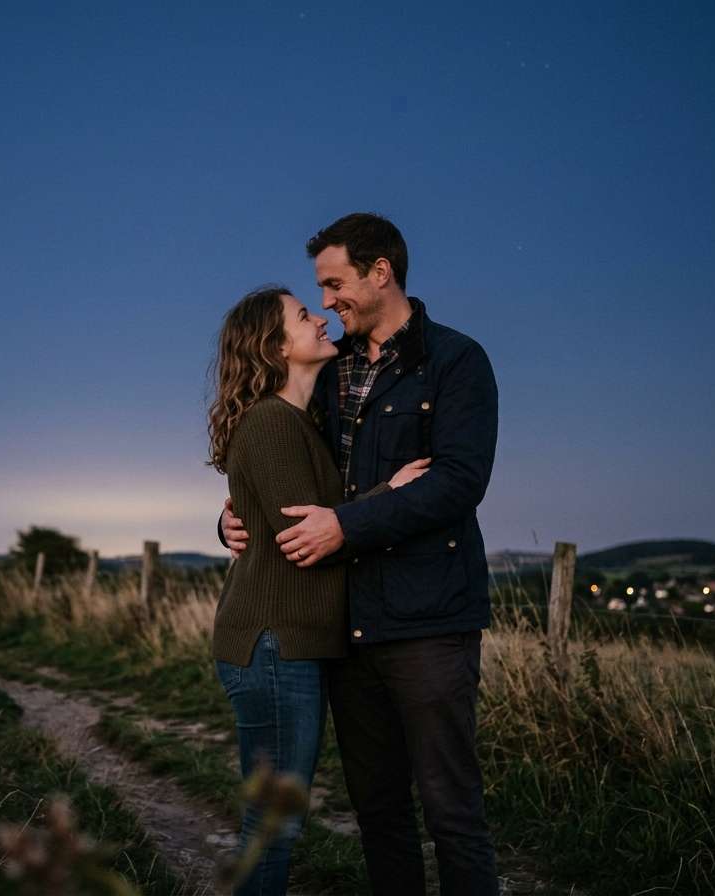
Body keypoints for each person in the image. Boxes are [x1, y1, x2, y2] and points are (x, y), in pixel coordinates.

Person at [220, 213, 500, 895]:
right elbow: (286, 476)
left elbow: (459, 482)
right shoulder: (330, 369)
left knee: (450, 808)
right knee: (378, 811)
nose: (327, 303)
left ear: (381, 273)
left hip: (429, 621)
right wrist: (232, 519)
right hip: (346, 628)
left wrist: (349, 523)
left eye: (335, 283)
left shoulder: (455, 360)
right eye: (317, 291)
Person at [208, 285, 429, 896]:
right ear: (275, 346)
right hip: (274, 646)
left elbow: (284, 514)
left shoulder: (296, 421)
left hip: (289, 645)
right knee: (274, 821)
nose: (321, 318)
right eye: (303, 316)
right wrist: (394, 493)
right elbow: (302, 538)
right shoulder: (272, 423)